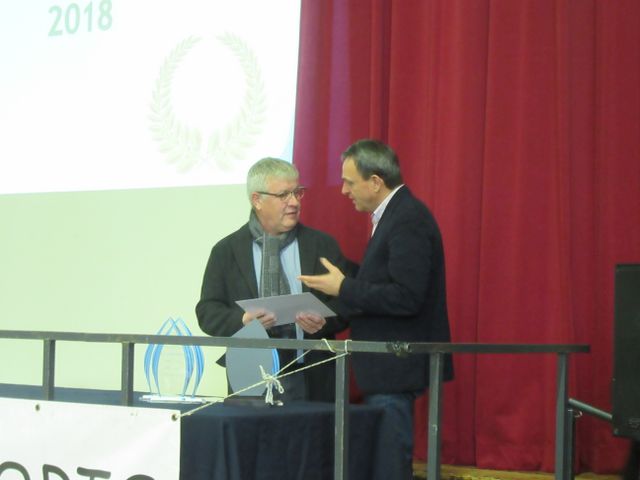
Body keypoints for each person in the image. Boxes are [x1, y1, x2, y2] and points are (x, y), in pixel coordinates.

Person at [299, 139, 454, 478]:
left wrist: (343, 286)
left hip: (394, 368)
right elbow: (384, 282)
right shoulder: (394, 215)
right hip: (386, 369)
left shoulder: (407, 219)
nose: (343, 191)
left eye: (349, 182)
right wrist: (344, 282)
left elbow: (406, 296)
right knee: (384, 462)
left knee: (389, 466)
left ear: (374, 181)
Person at [196, 157, 350, 403]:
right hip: (249, 373)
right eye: (283, 195)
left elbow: (347, 304)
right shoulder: (227, 251)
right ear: (257, 200)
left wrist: (323, 321)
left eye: (297, 193)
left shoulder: (321, 245)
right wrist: (243, 320)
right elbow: (207, 312)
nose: (294, 202)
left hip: (310, 371)